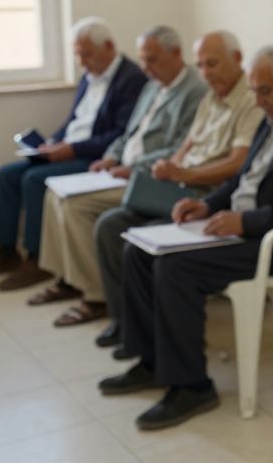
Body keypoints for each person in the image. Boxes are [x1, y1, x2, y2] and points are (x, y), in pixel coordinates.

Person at [97, 45, 273, 431]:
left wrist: (246, 221)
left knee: (175, 267)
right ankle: (151, 362)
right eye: (254, 91)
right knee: (139, 248)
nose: (258, 101)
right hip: (241, 228)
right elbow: (240, 180)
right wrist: (206, 206)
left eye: (265, 91)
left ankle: (192, 386)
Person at [90, 30, 263, 351]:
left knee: (140, 241)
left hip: (208, 195)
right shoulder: (210, 98)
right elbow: (186, 145)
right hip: (179, 187)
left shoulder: (251, 99)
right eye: (201, 65)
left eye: (213, 63)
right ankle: (125, 323)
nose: (207, 72)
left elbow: (238, 163)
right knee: (109, 225)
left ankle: (149, 336)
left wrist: (186, 173)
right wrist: (168, 168)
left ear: (237, 59)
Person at [31, 25, 206, 319]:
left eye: (152, 60)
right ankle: (69, 279)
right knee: (54, 194)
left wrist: (133, 167)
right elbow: (128, 133)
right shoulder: (152, 86)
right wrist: (111, 157)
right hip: (122, 170)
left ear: (176, 53)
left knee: (76, 205)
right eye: (143, 60)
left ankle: (98, 296)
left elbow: (180, 149)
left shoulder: (195, 92)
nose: (146, 68)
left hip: (153, 178)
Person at [0, 17, 147, 288]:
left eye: (87, 55)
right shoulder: (89, 76)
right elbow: (74, 120)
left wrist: (71, 149)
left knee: (35, 179)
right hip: (68, 149)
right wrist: (51, 142)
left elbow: (120, 133)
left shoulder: (131, 79)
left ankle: (38, 258)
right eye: (78, 55)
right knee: (7, 175)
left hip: (91, 157)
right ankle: (5, 251)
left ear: (109, 47)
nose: (82, 62)